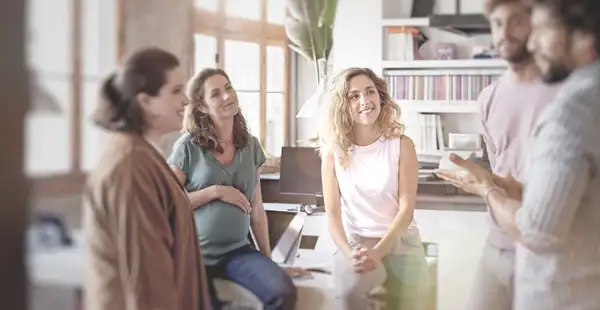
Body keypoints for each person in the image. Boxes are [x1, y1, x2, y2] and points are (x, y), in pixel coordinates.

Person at [436, 0, 600, 308]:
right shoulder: (490, 98)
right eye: (497, 23)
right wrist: (499, 186)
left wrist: (487, 190)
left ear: (581, 35)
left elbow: (538, 231)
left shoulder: (570, 103)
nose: (528, 39)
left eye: (532, 26)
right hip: (503, 243)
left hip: (556, 269)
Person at [83, 47, 210, 310]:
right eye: (176, 91)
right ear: (146, 102)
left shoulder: (141, 155)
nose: (186, 101)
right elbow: (146, 282)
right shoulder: (130, 167)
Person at [167, 68, 297, 310]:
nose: (227, 96)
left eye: (228, 88)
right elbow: (168, 203)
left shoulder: (251, 146)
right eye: (215, 94)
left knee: (283, 292)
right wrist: (214, 192)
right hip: (194, 255)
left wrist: (267, 260)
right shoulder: (188, 147)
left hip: (237, 251)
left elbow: (257, 209)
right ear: (203, 107)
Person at [469, 0, 561, 309]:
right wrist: (478, 179)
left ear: (536, 25)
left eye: (516, 22)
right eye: (496, 23)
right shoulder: (488, 98)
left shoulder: (566, 94)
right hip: (498, 247)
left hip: (548, 254)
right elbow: (499, 170)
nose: (504, 32)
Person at [319, 67, 431, 310]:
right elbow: (332, 214)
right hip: (359, 243)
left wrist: (379, 252)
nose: (364, 101)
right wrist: (350, 254)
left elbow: (406, 210)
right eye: (353, 96)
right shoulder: (333, 153)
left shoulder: (402, 145)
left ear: (380, 96)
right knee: (349, 296)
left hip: (403, 242)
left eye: (370, 92)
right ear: (343, 105)